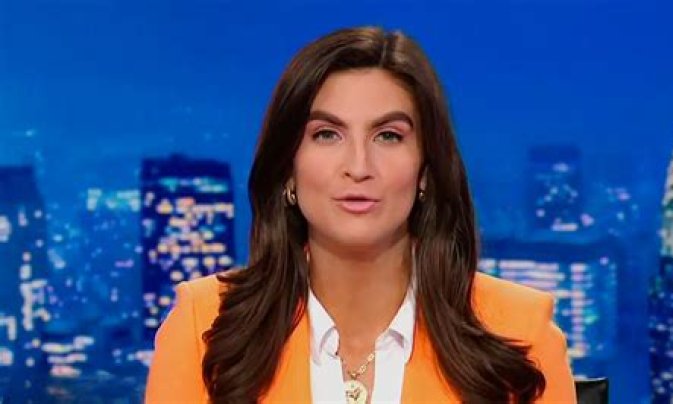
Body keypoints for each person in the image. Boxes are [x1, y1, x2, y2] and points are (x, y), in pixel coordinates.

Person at [145, 26, 576, 403]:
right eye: (326, 134)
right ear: (288, 169)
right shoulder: (206, 329)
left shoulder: (520, 335)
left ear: (426, 170)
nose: (358, 166)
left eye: (388, 136)